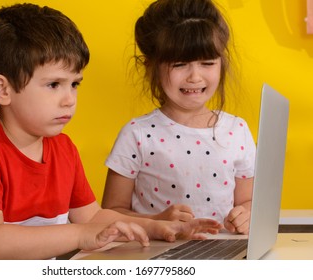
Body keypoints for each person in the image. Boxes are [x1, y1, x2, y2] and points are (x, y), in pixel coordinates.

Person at [0, 3, 221, 260]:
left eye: (74, 84)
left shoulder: (63, 148)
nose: (69, 98)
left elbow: (92, 215)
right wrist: (82, 235)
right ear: (2, 89)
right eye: (53, 85)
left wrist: (158, 226)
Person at [102, 0, 255, 235]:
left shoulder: (237, 130)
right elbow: (110, 212)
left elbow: (248, 202)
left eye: (207, 63)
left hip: (223, 255)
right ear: (150, 66)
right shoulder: (137, 134)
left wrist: (246, 215)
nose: (195, 76)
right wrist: (157, 221)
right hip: (159, 255)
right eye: (180, 64)